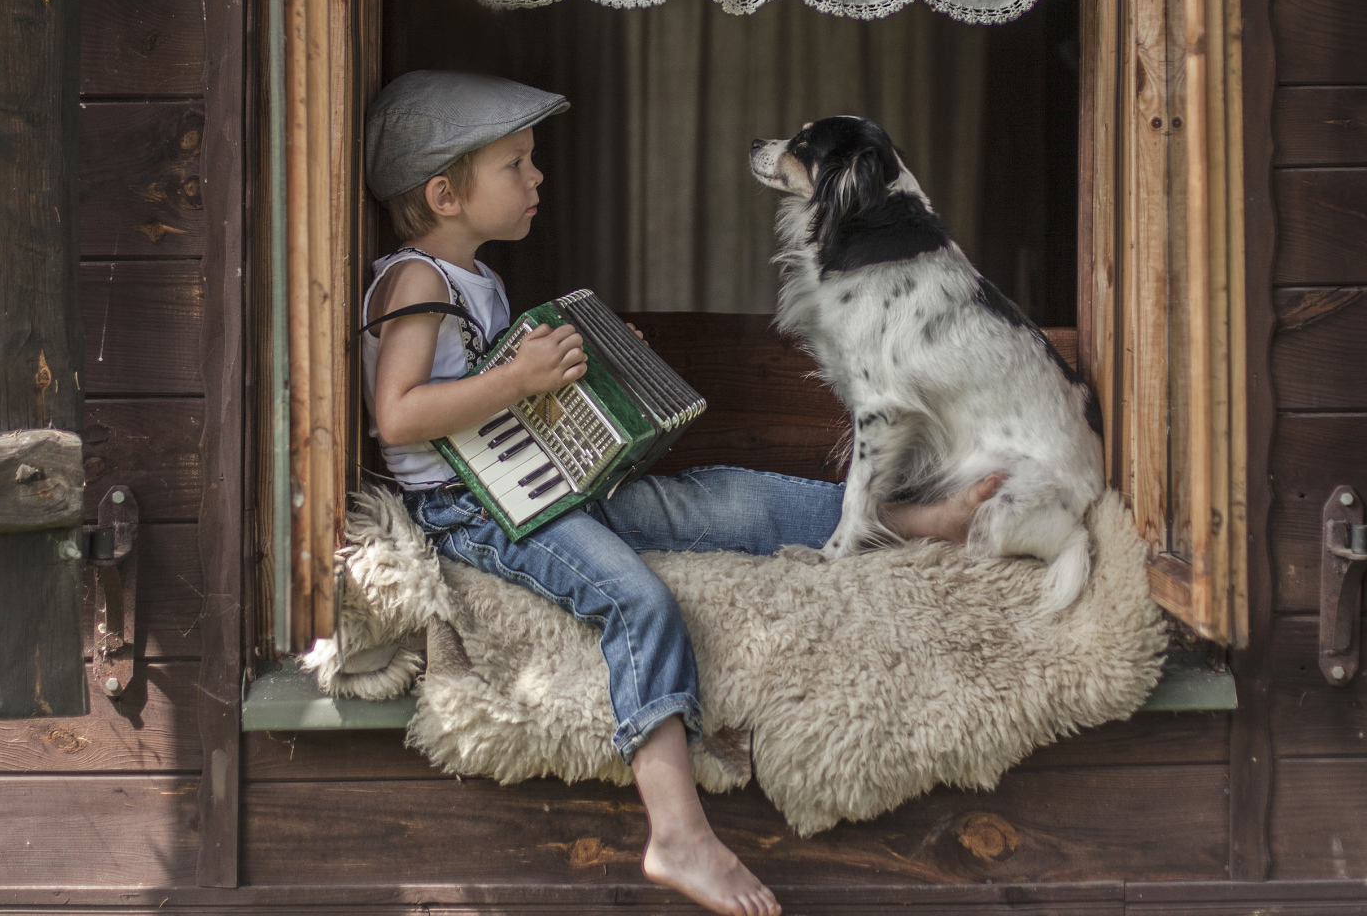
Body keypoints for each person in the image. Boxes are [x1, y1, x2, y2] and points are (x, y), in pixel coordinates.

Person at [360, 71, 1000, 916]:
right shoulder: (418, 283)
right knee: (638, 602)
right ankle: (677, 832)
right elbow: (399, 416)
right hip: (473, 514)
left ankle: (919, 521)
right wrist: (519, 380)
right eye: (517, 164)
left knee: (726, 501)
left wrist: (584, 370)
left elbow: (487, 401)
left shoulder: (468, 275)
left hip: (530, 484)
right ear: (444, 193)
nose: (537, 177)